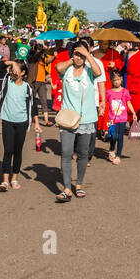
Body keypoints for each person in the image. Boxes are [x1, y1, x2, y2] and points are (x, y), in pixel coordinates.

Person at [52, 41, 105, 202]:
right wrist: (72, 58)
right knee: (66, 153)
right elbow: (57, 68)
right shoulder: (67, 69)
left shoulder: (90, 70)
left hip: (86, 118)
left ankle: (79, 184)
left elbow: (98, 72)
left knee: (83, 154)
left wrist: (87, 54)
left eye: (81, 55)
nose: (79, 58)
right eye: (77, 54)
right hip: (68, 118)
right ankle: (67, 188)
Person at [0, 56, 38, 190]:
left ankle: (14, 178)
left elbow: (33, 106)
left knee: (17, 151)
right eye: (12, 69)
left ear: (23, 73)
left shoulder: (27, 88)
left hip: (22, 123)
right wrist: (13, 63)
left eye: (16, 70)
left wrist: (36, 123)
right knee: (8, 150)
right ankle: (5, 181)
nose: (12, 72)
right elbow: (1, 66)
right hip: (7, 121)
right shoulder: (6, 81)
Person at [104, 70, 134, 164]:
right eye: (114, 80)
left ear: (121, 79)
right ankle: (112, 149)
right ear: (111, 81)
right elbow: (104, 103)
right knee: (112, 136)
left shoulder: (125, 92)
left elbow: (128, 103)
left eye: (118, 79)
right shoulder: (108, 92)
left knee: (120, 137)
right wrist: (101, 109)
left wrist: (133, 113)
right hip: (111, 118)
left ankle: (118, 155)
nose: (116, 82)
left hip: (122, 119)